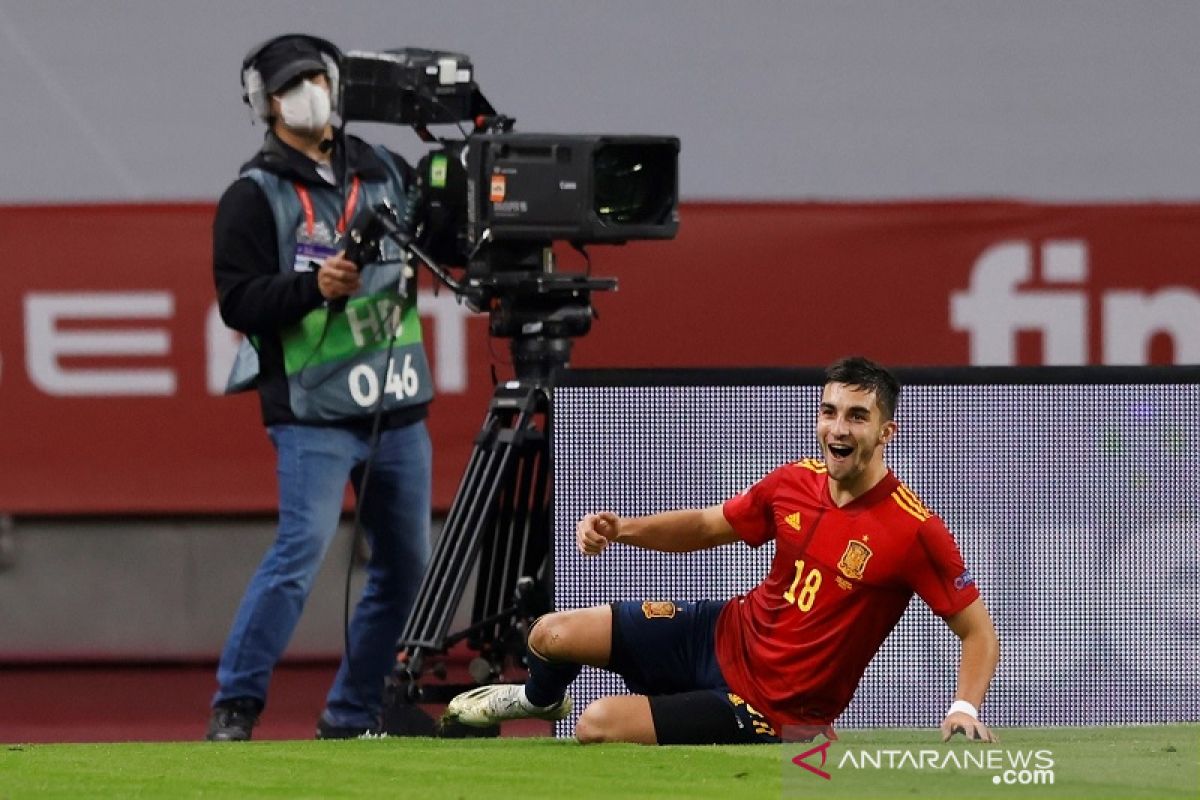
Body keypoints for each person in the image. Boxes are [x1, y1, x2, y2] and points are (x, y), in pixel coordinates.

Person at [443, 356, 1000, 744]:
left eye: (858, 416)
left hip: (774, 709)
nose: (839, 426)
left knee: (597, 725)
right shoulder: (794, 481)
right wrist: (624, 530)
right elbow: (709, 527)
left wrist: (963, 707)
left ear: (886, 432)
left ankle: (786, 739)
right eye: (829, 411)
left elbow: (978, 633)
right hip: (723, 632)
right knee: (551, 633)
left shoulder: (914, 529)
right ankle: (540, 699)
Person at [206, 34, 434, 741]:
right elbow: (238, 302)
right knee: (298, 558)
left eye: (318, 78)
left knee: (406, 568)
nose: (311, 91)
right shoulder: (252, 196)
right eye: (292, 84)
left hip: (396, 407)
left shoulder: (387, 170)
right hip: (310, 412)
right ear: (265, 104)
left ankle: (353, 710)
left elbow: (445, 243)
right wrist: (311, 288)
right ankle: (236, 705)